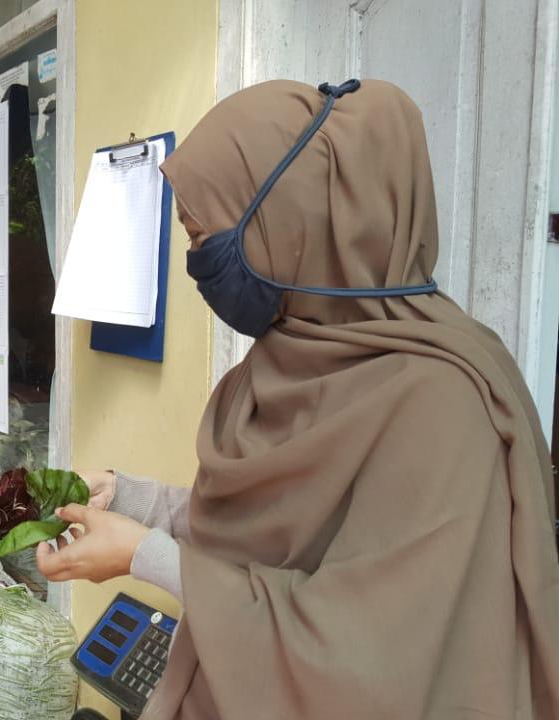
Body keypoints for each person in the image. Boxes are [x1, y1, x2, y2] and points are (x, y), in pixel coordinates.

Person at [37, 79, 559, 718]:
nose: (196, 259)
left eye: (204, 235)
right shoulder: (286, 357)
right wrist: (129, 498)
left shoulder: (445, 405)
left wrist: (144, 556)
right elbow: (258, 533)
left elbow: (365, 656)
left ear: (293, 224)